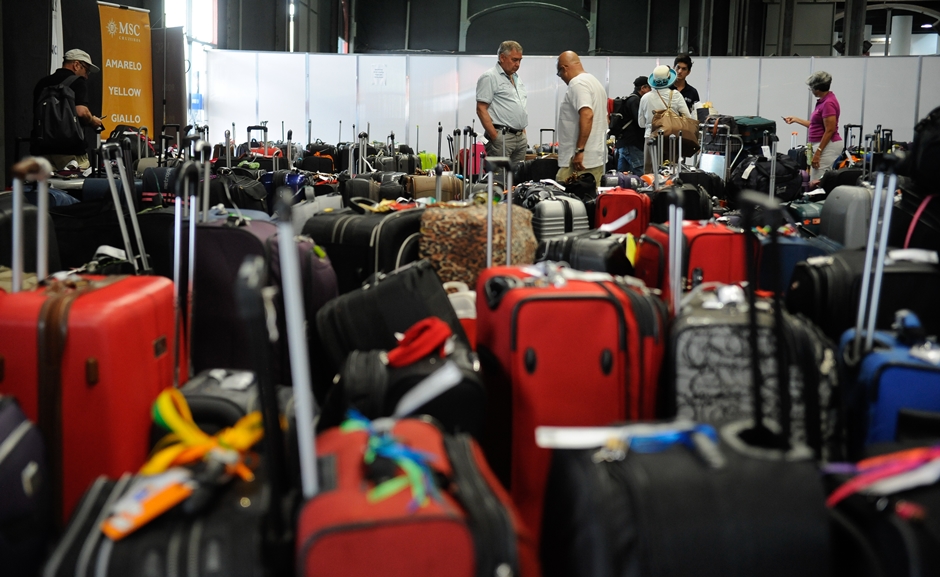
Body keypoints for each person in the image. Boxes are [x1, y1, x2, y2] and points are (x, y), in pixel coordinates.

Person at [31, 49, 104, 171]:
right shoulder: (78, 82)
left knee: (47, 188)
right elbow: (81, 111)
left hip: (41, 151)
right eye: (86, 70)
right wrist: (93, 121)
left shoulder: (42, 83)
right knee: (79, 184)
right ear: (76, 65)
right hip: (70, 152)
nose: (86, 76)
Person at [555, 51, 608, 184]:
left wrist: (580, 150)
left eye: (559, 74)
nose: (561, 77)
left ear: (564, 68)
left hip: (579, 161)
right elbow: (605, 118)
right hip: (594, 156)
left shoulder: (577, 84)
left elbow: (587, 114)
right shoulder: (594, 82)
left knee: (563, 198)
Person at [784, 71, 841, 185]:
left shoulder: (828, 103)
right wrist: (796, 119)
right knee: (815, 179)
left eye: (811, 88)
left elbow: (830, 130)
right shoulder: (823, 101)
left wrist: (818, 153)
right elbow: (815, 125)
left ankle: (818, 201)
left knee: (817, 181)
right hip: (821, 144)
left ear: (817, 88)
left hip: (827, 145)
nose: (811, 91)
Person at [476, 41, 528, 165]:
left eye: (520, 60)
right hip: (502, 136)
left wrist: (523, 132)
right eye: (514, 60)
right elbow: (481, 109)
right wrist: (495, 137)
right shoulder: (489, 77)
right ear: (502, 57)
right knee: (499, 179)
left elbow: (519, 107)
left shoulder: (516, 78)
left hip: (519, 137)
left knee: (518, 179)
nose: (518, 64)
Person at [637, 65, 693, 173]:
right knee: (670, 172)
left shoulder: (645, 98)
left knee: (650, 173)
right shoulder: (676, 95)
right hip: (671, 138)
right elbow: (687, 118)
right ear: (669, 79)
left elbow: (641, 123)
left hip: (651, 137)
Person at [614, 76, 651, 174]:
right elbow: (640, 122)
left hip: (623, 144)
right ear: (643, 88)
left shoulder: (629, 99)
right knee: (642, 174)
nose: (651, 91)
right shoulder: (636, 101)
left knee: (622, 177)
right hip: (632, 144)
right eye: (650, 88)